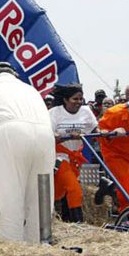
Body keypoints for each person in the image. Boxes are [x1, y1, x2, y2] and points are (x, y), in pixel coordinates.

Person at [0, 62, 55, 243]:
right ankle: (41, 247)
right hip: (45, 136)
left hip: (9, 134)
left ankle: (13, 252)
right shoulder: (31, 90)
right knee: (41, 197)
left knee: (9, 196)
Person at [49, 83, 97, 222]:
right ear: (65, 99)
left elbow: (95, 129)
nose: (79, 102)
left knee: (60, 191)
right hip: (60, 155)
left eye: (80, 99)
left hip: (76, 156)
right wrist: (58, 136)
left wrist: (104, 132)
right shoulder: (55, 113)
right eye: (75, 99)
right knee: (74, 188)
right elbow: (48, 134)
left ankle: (64, 218)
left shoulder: (86, 111)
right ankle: (78, 223)